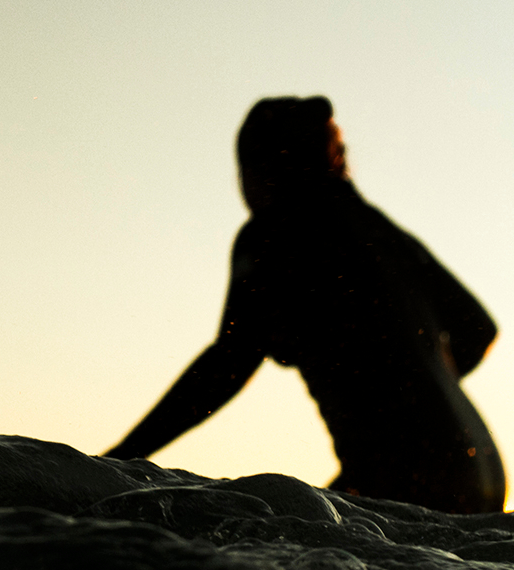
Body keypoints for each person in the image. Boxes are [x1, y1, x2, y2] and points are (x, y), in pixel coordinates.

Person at [104, 96, 505, 514]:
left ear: (261, 169)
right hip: (483, 471)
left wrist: (119, 460)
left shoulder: (273, 233)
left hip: (408, 475)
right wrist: (409, 392)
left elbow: (228, 363)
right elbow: (479, 328)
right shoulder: (383, 233)